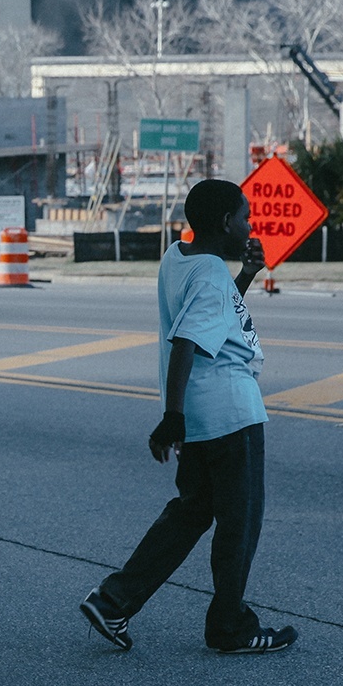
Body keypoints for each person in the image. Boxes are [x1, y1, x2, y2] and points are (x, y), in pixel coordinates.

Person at [79, 179, 298, 656]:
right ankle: (230, 628)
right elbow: (187, 342)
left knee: (190, 513)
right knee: (239, 523)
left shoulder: (178, 258)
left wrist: (245, 276)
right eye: (244, 218)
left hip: (202, 416)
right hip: (230, 414)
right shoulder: (210, 274)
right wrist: (170, 418)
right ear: (225, 223)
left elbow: (210, 315)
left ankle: (114, 600)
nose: (249, 226)